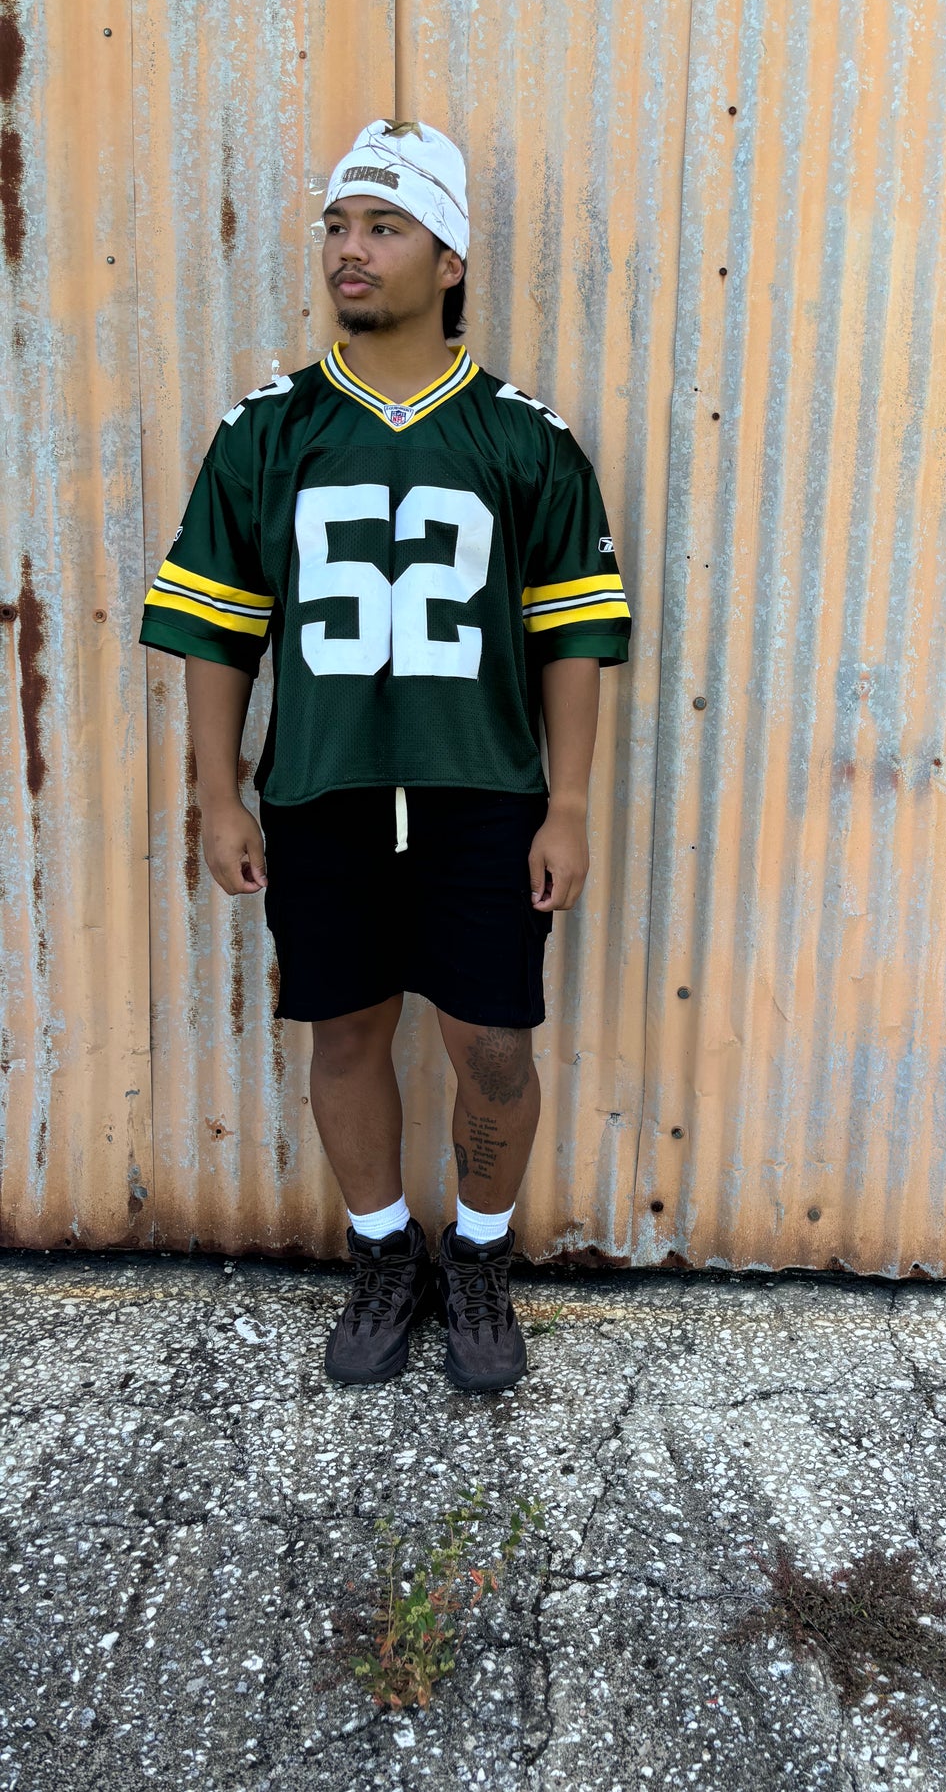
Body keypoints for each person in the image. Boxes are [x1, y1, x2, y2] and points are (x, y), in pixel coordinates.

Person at [138, 119, 630, 1392]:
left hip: (482, 797)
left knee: (495, 1046)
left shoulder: (526, 439)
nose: (351, 253)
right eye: (338, 228)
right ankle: (381, 1254)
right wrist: (218, 791)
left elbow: (571, 632)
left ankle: (476, 1254)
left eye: (385, 227)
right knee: (343, 1033)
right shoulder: (268, 431)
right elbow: (215, 627)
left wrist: (565, 804)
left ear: (450, 258)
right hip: (326, 791)